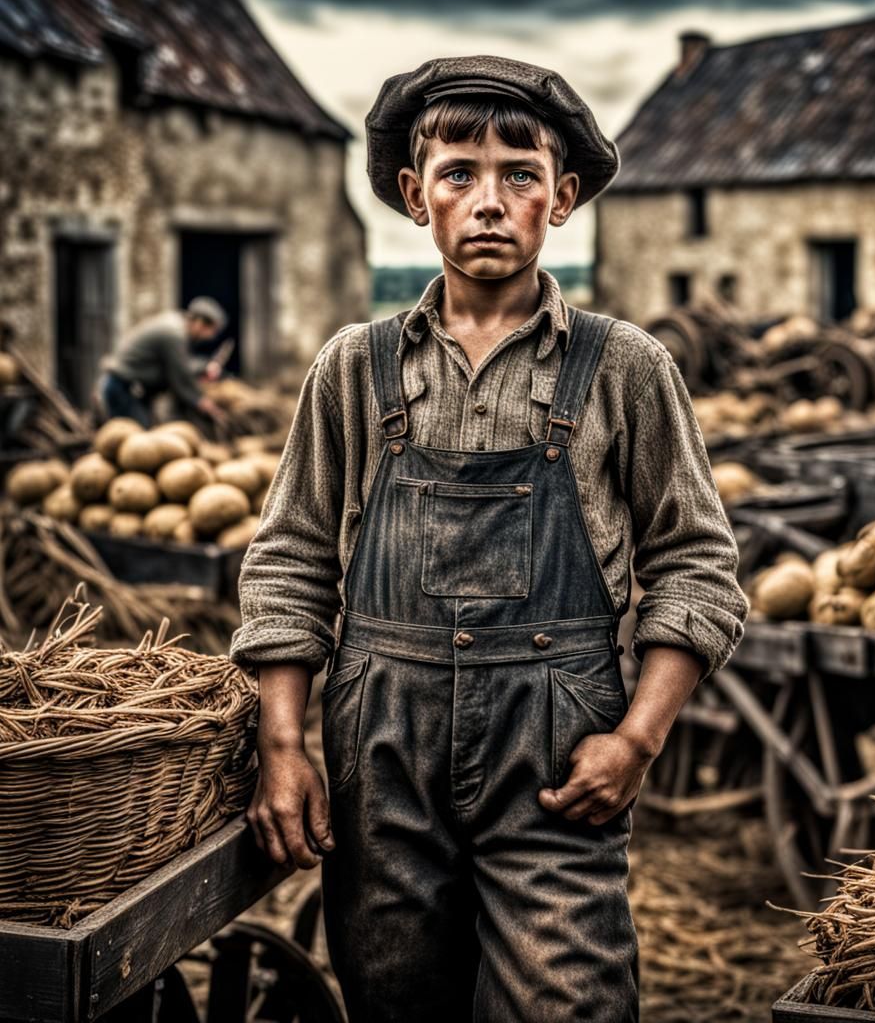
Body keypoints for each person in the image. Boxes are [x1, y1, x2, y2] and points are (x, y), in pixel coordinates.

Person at [229, 55, 748, 1022]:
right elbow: (291, 560)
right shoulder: (354, 368)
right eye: (459, 172)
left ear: (565, 197)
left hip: (553, 756)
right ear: (413, 195)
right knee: (396, 995)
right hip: (382, 753)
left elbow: (696, 564)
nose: (489, 200)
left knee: (570, 999)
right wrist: (284, 743)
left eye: (521, 174)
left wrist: (638, 738)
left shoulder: (624, 366)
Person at [98, 296, 228, 426]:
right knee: (139, 435)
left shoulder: (176, 325)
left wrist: (204, 367)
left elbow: (180, 363)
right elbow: (180, 375)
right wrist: (202, 402)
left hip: (128, 387)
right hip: (123, 388)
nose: (212, 336)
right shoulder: (174, 334)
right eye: (212, 330)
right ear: (199, 323)